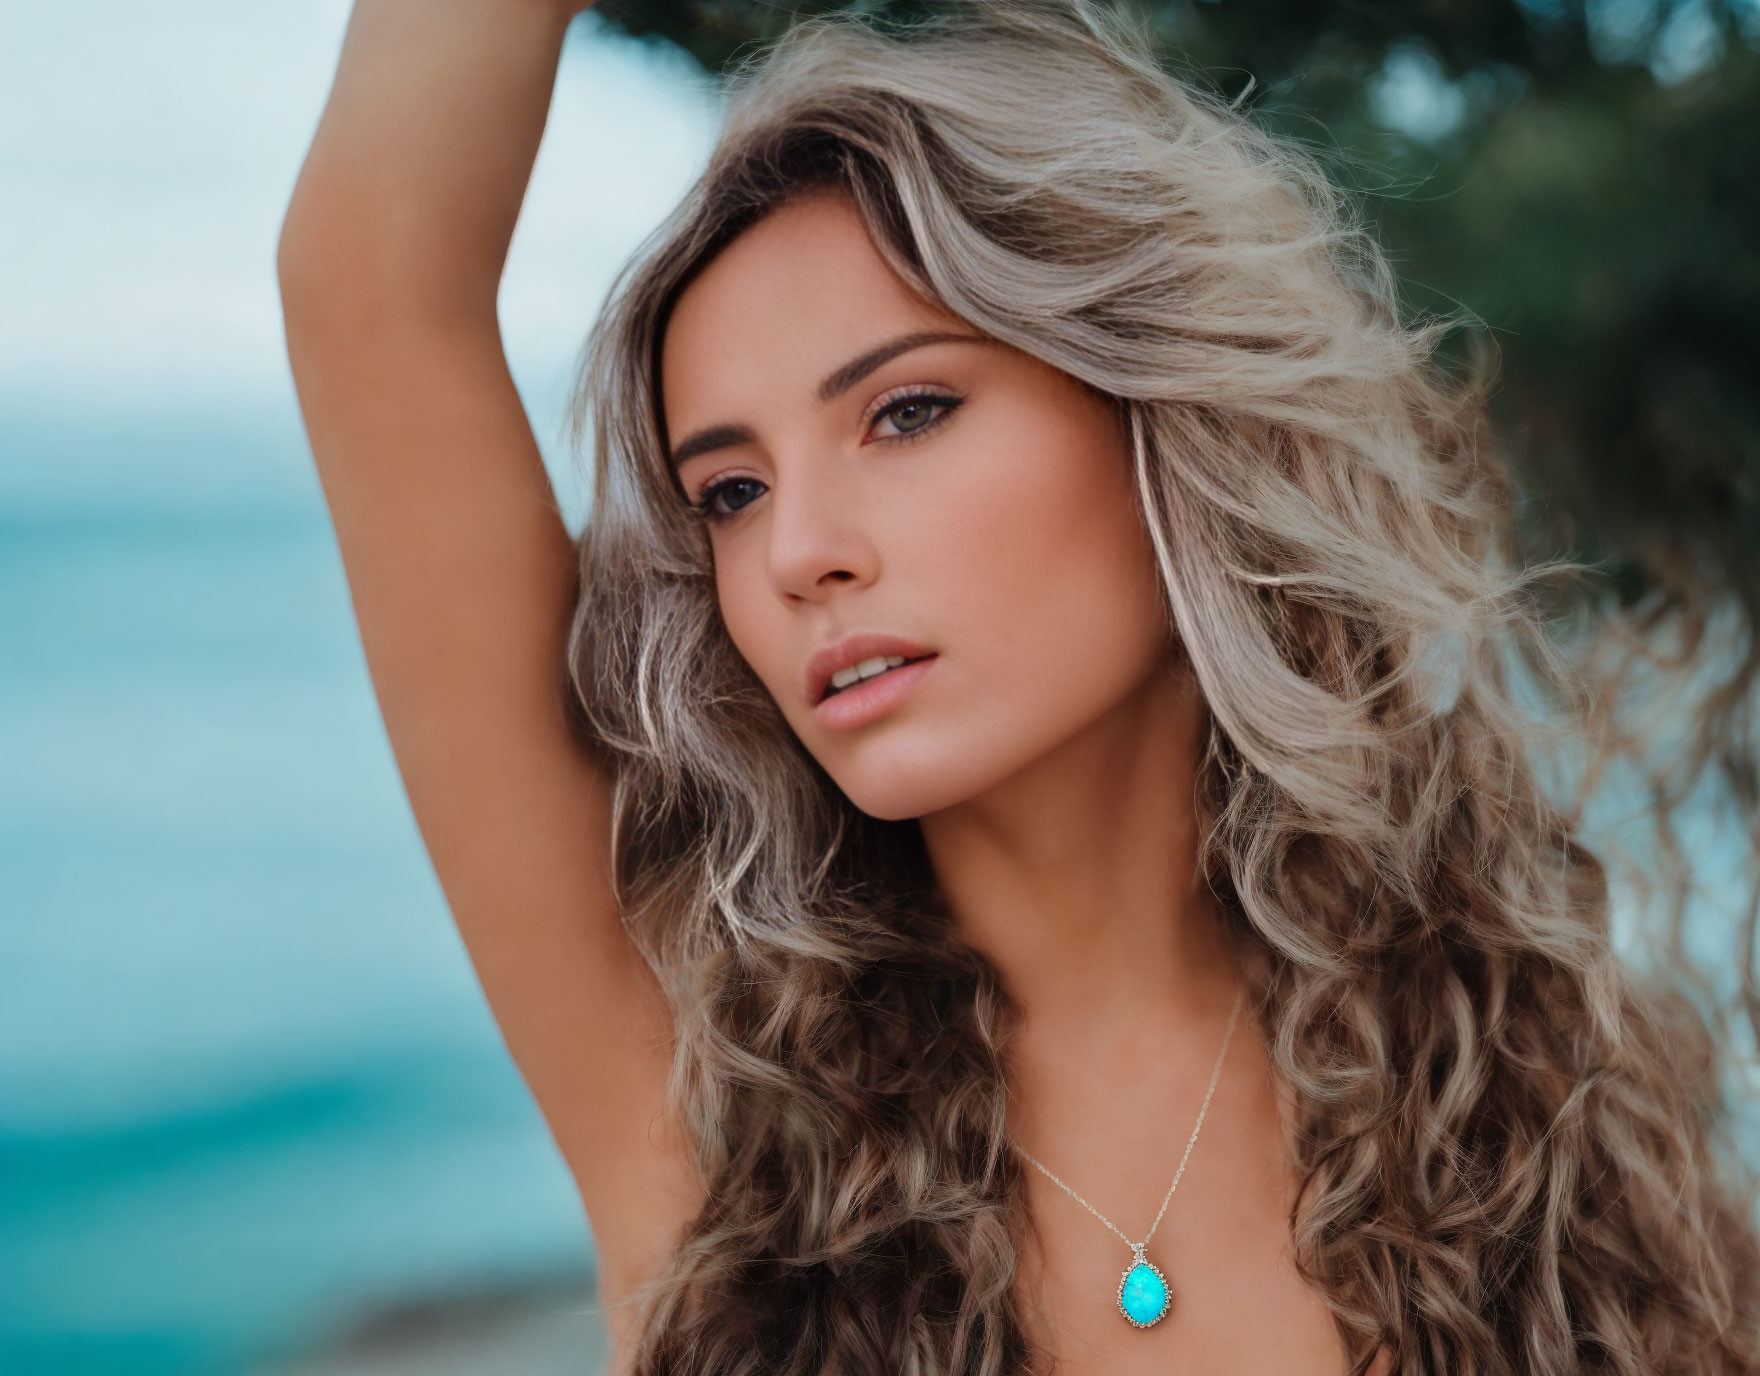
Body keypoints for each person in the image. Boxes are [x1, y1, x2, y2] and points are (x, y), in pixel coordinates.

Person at [275, 0, 1760, 1371]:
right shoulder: (703, 1087)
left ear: (1163, 420)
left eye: (905, 412)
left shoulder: (1522, 1070)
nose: (797, 553)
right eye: (727, 491)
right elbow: (369, 282)